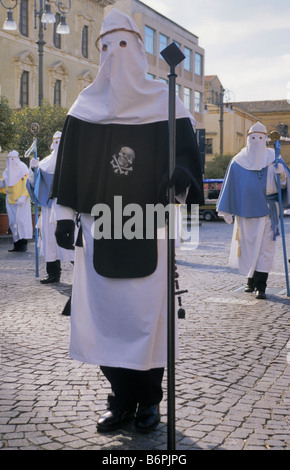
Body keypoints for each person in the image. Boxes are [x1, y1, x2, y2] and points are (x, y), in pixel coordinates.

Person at [51, 9, 203, 433]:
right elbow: (68, 168)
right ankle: (120, 400)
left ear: (137, 48)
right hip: (99, 230)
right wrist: (64, 215)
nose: (114, 55)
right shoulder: (86, 106)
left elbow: (189, 160)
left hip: (146, 226)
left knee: (145, 321)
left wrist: (182, 178)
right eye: (106, 46)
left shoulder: (165, 101)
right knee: (103, 320)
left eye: (122, 45)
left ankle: (149, 401)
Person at [217, 121, 290, 299]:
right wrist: (227, 210)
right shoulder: (237, 161)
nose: (257, 142)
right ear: (248, 139)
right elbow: (230, 186)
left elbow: (284, 185)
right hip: (246, 212)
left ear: (266, 139)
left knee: (266, 249)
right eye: (253, 138)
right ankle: (250, 280)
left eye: (261, 138)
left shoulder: (275, 157)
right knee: (249, 248)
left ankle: (261, 286)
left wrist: (282, 174)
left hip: (269, 210)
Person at [27, 131, 74, 284]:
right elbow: (34, 186)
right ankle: (53, 273)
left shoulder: (71, 161)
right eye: (56, 141)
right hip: (48, 209)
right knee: (49, 240)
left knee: (70, 239)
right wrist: (33, 171)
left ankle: (83, 273)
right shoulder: (43, 163)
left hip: (67, 206)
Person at [0, 150, 32, 252]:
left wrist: (23, 196)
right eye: (9, 159)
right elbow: (6, 184)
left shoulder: (23, 169)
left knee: (22, 222)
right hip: (10, 200)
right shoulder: (7, 171)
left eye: (13, 158)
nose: (11, 161)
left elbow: (28, 184)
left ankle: (24, 244)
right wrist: (2, 184)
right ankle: (17, 245)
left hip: (21, 201)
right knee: (13, 223)